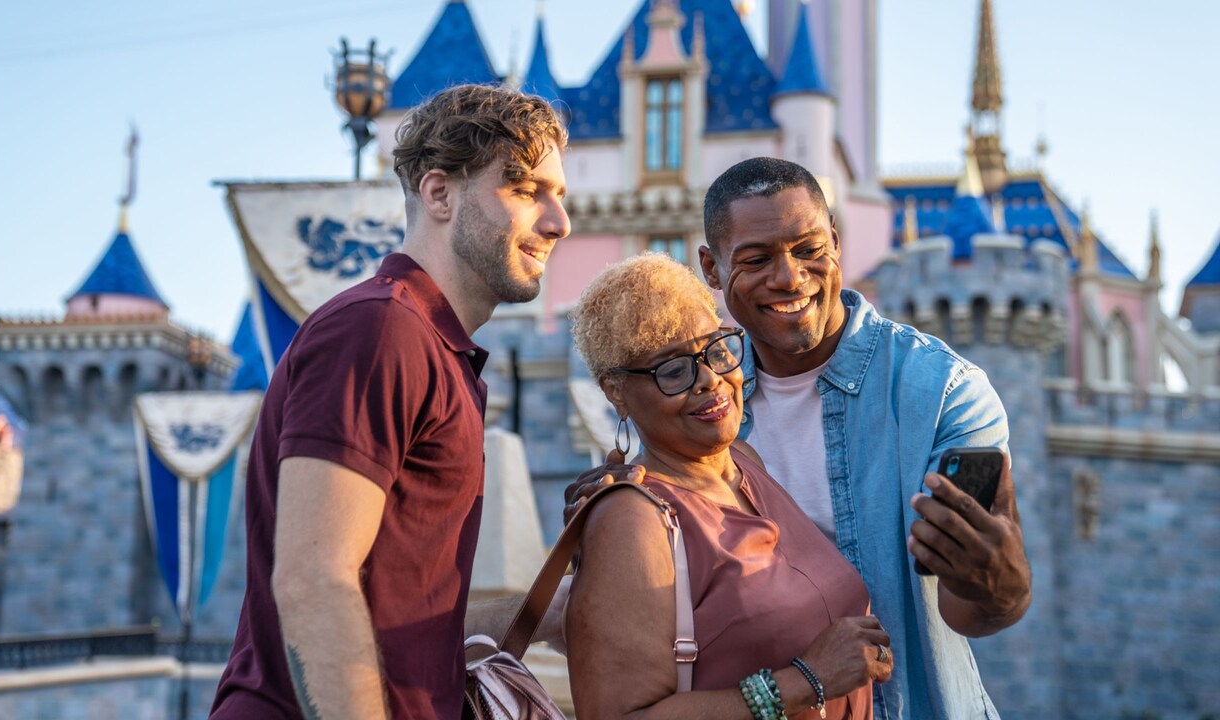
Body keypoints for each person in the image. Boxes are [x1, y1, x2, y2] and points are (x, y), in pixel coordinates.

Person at [567, 157, 1030, 719]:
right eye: (758, 258)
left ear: (836, 241)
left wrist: (1001, 587)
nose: (789, 277)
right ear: (712, 269)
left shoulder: (944, 393)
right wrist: (629, 521)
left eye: (809, 249)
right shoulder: (715, 420)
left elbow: (970, 604)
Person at [210, 84, 570, 720]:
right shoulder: (381, 329)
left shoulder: (438, 353)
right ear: (438, 194)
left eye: (559, 196)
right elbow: (314, 581)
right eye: (524, 189)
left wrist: (553, 610)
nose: (558, 222)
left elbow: (407, 626)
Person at [566, 253, 892, 719]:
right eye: (673, 371)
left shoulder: (746, 461)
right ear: (616, 392)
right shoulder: (632, 520)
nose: (711, 380)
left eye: (717, 350)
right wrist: (806, 681)